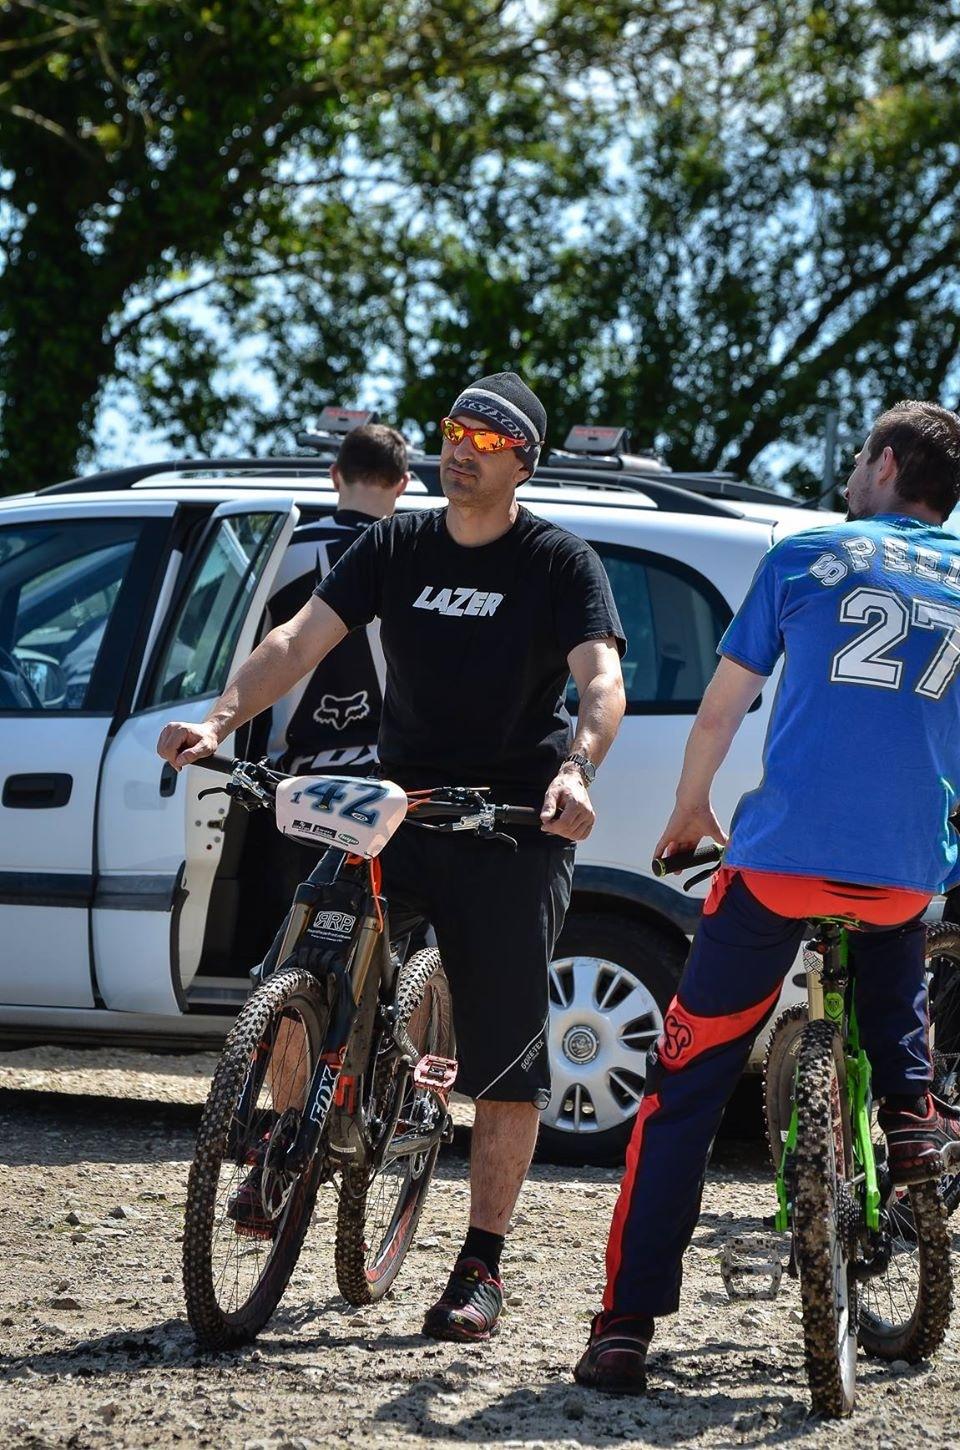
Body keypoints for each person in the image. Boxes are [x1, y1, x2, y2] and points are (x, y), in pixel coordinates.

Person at [158, 371, 626, 1343]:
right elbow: (296, 640)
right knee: (302, 964)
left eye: (487, 440)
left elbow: (602, 679)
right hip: (397, 802)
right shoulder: (397, 544)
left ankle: (479, 1263)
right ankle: (287, 1146)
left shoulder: (559, 561)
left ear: (523, 463)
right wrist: (216, 720)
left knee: (503, 1060)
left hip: (508, 822)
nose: (461, 449)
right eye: (454, 431)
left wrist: (579, 769)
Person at [575, 398, 960, 1394]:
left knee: (684, 1089)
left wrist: (692, 806)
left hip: (782, 863)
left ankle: (623, 1329)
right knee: (894, 946)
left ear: (884, 462)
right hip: (908, 873)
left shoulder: (804, 556)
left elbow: (721, 706)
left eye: (857, 458)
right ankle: (912, 1110)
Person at [260, 423, 409, 927]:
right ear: (403, 483)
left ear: (334, 476)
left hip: (293, 780)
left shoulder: (280, 553)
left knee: (294, 937)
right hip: (390, 781)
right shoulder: (418, 560)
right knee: (375, 935)